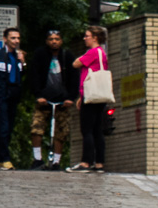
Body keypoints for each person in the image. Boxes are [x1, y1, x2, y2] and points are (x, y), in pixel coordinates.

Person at [29, 30, 76, 170]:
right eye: (51, 39)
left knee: (61, 131)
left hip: (62, 101)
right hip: (44, 99)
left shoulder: (67, 56)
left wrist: (70, 98)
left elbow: (74, 78)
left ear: (61, 41)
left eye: (56, 39)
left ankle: (56, 161)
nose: (54, 41)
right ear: (46, 41)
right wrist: (38, 95)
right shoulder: (40, 55)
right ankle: (37, 159)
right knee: (36, 127)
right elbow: (34, 75)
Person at [67, 26, 108, 173]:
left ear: (95, 38)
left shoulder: (93, 52)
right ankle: (99, 163)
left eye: (87, 36)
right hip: (99, 95)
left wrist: (80, 57)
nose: (85, 38)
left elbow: (76, 64)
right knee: (97, 129)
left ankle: (86, 162)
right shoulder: (102, 53)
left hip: (90, 95)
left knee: (87, 129)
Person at [0, 27, 26, 170]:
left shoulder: (17, 57)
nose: (16, 41)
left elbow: (20, 77)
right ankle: (6, 159)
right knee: (3, 128)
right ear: (5, 39)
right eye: (13, 38)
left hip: (13, 97)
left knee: (8, 129)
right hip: (0, 96)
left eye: (18, 38)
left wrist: (23, 62)